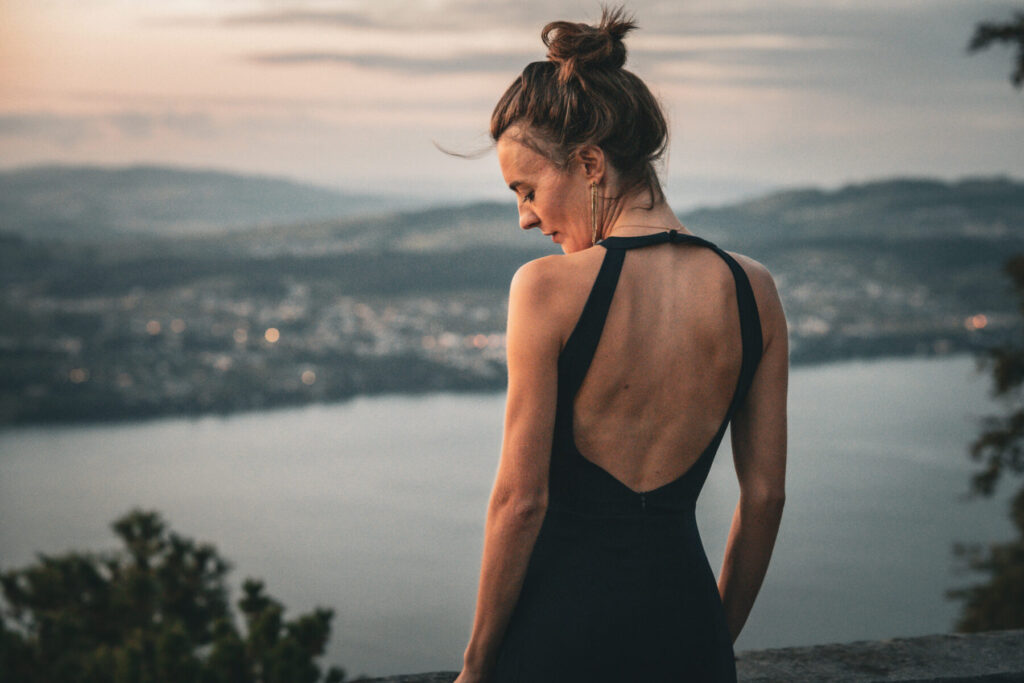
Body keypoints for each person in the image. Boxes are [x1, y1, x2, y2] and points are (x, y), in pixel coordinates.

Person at [454, 7, 787, 682]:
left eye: (527, 189)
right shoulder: (754, 290)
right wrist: (709, 638)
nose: (525, 217)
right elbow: (765, 497)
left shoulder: (545, 290)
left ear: (590, 162)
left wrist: (475, 665)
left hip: (560, 638)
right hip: (688, 633)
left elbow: (521, 501)